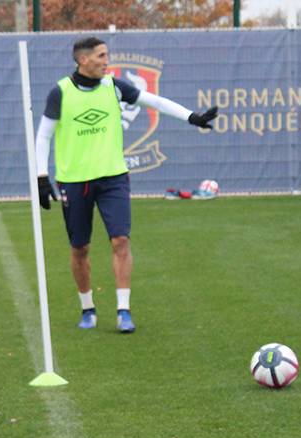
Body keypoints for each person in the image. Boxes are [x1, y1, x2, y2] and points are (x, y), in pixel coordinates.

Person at [35, 36, 217, 333]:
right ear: (83, 60)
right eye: (101, 55)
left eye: (107, 55)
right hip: (74, 181)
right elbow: (44, 136)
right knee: (79, 248)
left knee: (120, 241)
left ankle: (123, 311)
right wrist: (41, 177)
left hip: (113, 178)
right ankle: (88, 309)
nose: (107, 60)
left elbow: (154, 101)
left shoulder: (114, 86)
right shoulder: (61, 92)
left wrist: (191, 117)